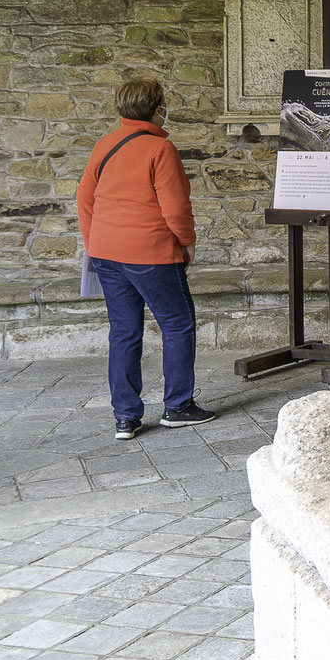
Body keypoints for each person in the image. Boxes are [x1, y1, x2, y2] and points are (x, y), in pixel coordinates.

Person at [76, 76, 215, 439]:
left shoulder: (104, 145)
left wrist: (95, 242)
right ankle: (179, 406)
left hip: (105, 252)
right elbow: (175, 206)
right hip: (150, 251)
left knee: (123, 330)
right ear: (157, 109)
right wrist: (187, 241)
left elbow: (85, 199)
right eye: (163, 104)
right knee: (176, 324)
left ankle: (125, 417)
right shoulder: (159, 149)